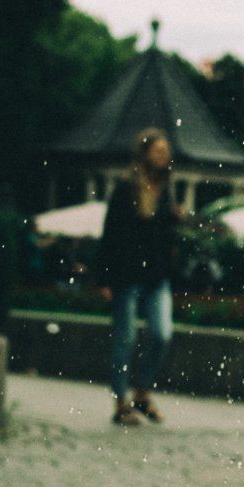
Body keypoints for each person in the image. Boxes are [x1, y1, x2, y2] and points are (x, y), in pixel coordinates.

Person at [96, 128, 182, 426]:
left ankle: (142, 391)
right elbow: (111, 233)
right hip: (127, 275)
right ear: (145, 154)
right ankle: (121, 402)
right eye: (158, 151)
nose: (164, 156)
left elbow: (161, 235)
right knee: (125, 338)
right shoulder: (126, 189)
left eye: (165, 151)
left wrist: (173, 220)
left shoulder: (165, 191)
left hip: (156, 276)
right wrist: (103, 278)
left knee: (161, 333)